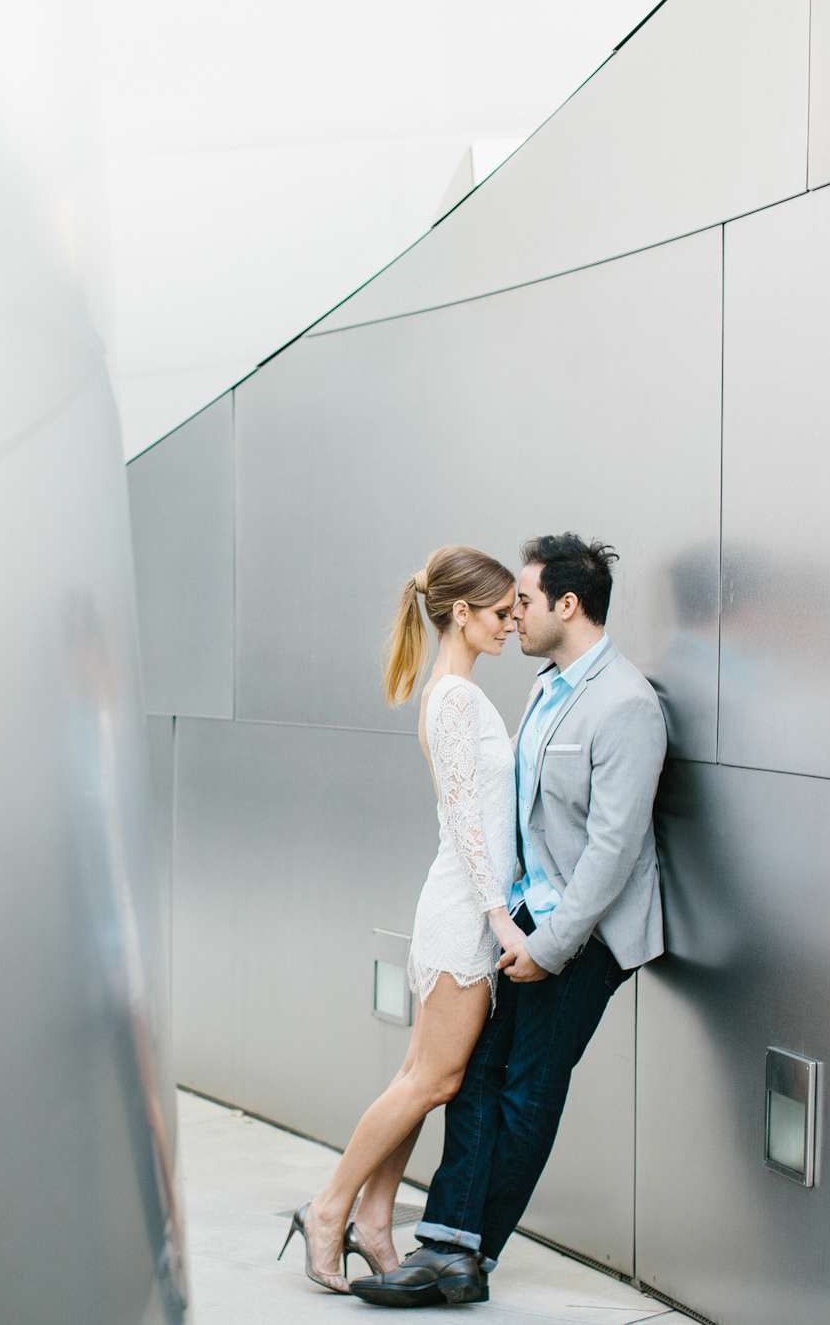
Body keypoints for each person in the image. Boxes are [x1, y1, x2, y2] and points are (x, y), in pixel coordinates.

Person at [350, 533, 667, 1309]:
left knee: (528, 1088)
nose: (513, 613)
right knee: (477, 1073)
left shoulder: (628, 704)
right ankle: (448, 1244)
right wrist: (511, 919)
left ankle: (467, 1252)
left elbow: (613, 851)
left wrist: (551, 946)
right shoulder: (548, 687)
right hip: (528, 920)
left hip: (586, 938)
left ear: (568, 604)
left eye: (524, 599)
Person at [279, 545, 523, 1292]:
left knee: (422, 1075)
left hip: (464, 909)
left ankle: (375, 1219)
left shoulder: (458, 691)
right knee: (433, 1079)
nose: (512, 622)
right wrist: (498, 917)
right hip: (462, 916)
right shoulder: (453, 696)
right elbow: (465, 819)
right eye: (500, 611)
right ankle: (328, 1209)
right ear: (460, 611)